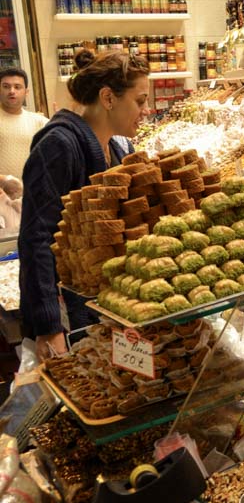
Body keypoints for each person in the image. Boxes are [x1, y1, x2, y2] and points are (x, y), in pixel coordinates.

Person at [19, 50, 150, 359]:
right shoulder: (58, 146)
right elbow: (37, 238)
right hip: (69, 315)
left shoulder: (120, 149)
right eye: (140, 101)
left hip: (111, 310)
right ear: (108, 98)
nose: (147, 110)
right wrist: (49, 325)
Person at [0, 68, 48, 179]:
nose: (12, 91)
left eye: (17, 87)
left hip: (30, 189)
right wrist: (3, 180)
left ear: (26, 92)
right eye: (6, 86)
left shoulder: (39, 122)